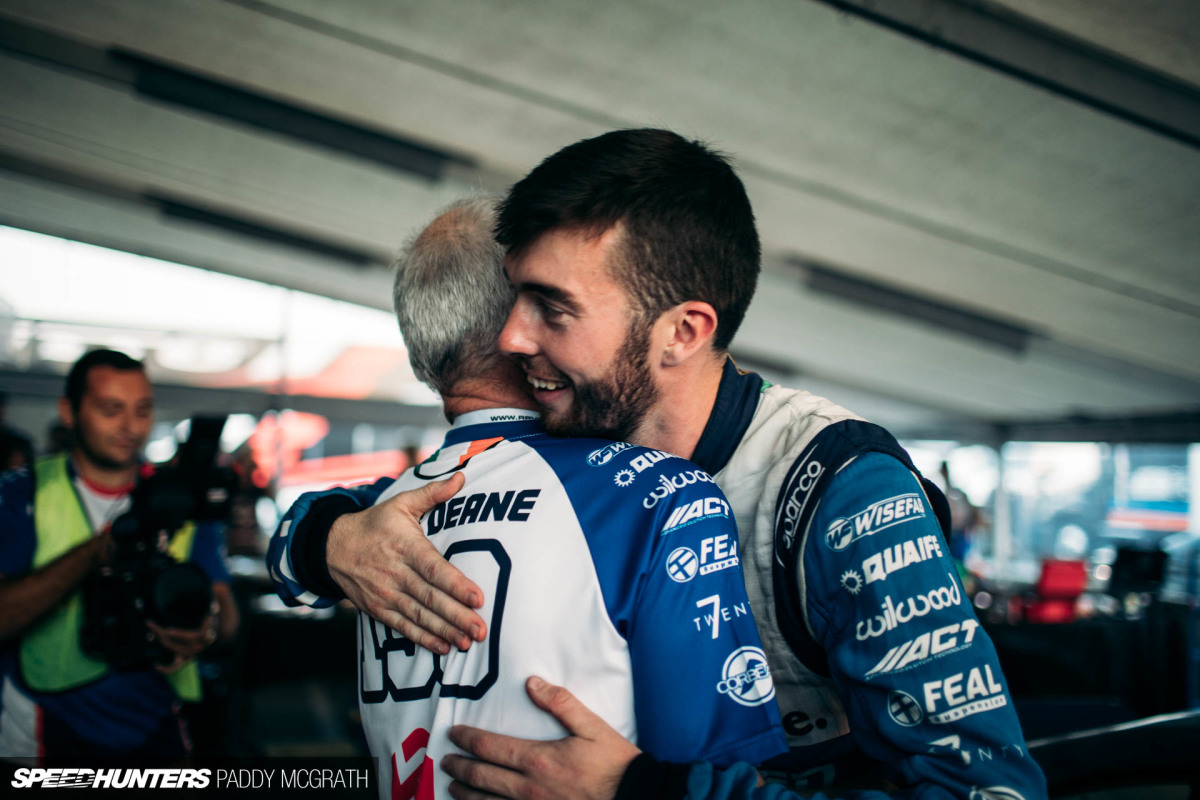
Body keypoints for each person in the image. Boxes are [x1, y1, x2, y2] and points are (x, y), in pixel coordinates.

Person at [270, 131, 1047, 800]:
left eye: (552, 306)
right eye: (513, 299)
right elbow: (348, 520)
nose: (507, 338)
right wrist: (332, 539)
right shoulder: (567, 440)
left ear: (682, 332)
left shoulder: (842, 489)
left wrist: (643, 790)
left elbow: (990, 790)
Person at [267, 197, 786, 798]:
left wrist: (321, 539)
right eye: (550, 301)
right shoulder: (657, 495)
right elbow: (721, 762)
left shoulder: (374, 518)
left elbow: (292, 547)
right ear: (519, 326)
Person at [0, 349, 237, 759]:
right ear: (69, 411)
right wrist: (95, 554)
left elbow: (228, 615)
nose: (130, 426)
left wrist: (207, 627)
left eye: (142, 410)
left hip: (157, 726)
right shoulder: (20, 494)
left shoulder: (180, 496)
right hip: (43, 726)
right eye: (111, 409)